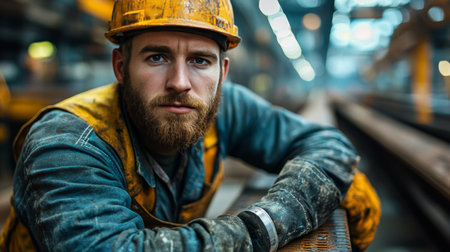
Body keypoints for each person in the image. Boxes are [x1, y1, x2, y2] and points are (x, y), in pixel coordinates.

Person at [0, 0, 380, 251]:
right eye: (157, 57)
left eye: (200, 61)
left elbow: (328, 144)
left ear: (223, 72)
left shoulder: (222, 109)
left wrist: (293, 200)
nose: (180, 82)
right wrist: (264, 225)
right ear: (120, 67)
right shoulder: (68, 143)